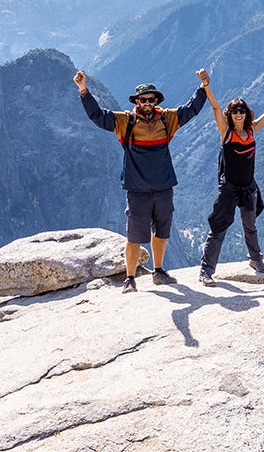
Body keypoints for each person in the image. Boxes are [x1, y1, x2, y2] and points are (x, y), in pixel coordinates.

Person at [74, 68, 208, 292]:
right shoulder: (124, 121)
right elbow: (98, 116)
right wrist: (83, 91)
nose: (147, 102)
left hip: (163, 186)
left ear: (156, 101)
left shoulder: (167, 118)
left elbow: (190, 110)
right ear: (136, 101)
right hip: (137, 189)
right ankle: (130, 278)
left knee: (162, 231)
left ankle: (158, 271)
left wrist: (203, 87)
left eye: (151, 99)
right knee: (135, 235)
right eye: (143, 99)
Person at [196, 79, 264, 284]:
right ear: (230, 114)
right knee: (219, 227)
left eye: (242, 111)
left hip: (248, 187)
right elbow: (216, 106)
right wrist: (206, 85)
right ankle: (206, 271)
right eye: (235, 111)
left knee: (250, 225)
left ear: (246, 113)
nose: (238, 114)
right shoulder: (226, 133)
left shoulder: (252, 129)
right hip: (229, 188)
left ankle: (255, 260)